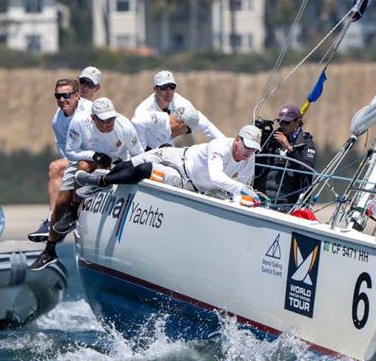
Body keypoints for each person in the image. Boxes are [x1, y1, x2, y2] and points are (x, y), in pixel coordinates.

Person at [30, 97, 143, 270]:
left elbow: (138, 156)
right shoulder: (80, 122)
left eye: (111, 119)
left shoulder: (125, 127)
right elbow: (70, 151)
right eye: (103, 121)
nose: (108, 124)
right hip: (86, 160)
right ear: (93, 118)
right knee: (61, 203)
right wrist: (94, 155)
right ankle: (50, 249)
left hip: (116, 163)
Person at [75, 125, 263, 203]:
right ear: (237, 139)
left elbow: (239, 187)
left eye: (253, 149)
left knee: (144, 169)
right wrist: (241, 187)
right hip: (178, 156)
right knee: (132, 161)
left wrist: (244, 192)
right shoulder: (220, 146)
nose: (249, 152)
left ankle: (102, 183)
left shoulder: (249, 160)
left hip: (186, 181)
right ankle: (99, 178)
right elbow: (216, 176)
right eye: (247, 146)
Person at [29, 67, 102, 241]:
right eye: (58, 97)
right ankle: (53, 219)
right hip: (79, 158)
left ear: (76, 95)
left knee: (59, 167)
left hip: (100, 157)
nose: (62, 99)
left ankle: (58, 218)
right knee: (58, 168)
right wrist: (72, 162)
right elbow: (64, 146)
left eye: (89, 85)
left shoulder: (92, 110)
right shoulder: (57, 120)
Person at [133, 70, 225, 146]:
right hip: (147, 147)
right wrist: (141, 154)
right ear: (155, 89)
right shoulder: (143, 110)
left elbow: (204, 124)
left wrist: (226, 145)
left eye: (172, 87)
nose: (169, 91)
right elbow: (137, 130)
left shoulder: (181, 104)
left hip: (168, 148)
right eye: (164, 87)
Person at [253, 104, 317, 211]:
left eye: (286, 122)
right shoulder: (272, 138)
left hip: (288, 204)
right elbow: (256, 165)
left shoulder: (306, 144)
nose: (282, 125)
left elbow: (306, 171)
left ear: (297, 122)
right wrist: (263, 139)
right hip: (262, 198)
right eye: (280, 121)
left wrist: (288, 148)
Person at [132, 102, 200, 151]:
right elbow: (137, 122)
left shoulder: (170, 142)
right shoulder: (160, 119)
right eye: (188, 131)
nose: (185, 134)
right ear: (183, 125)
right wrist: (141, 149)